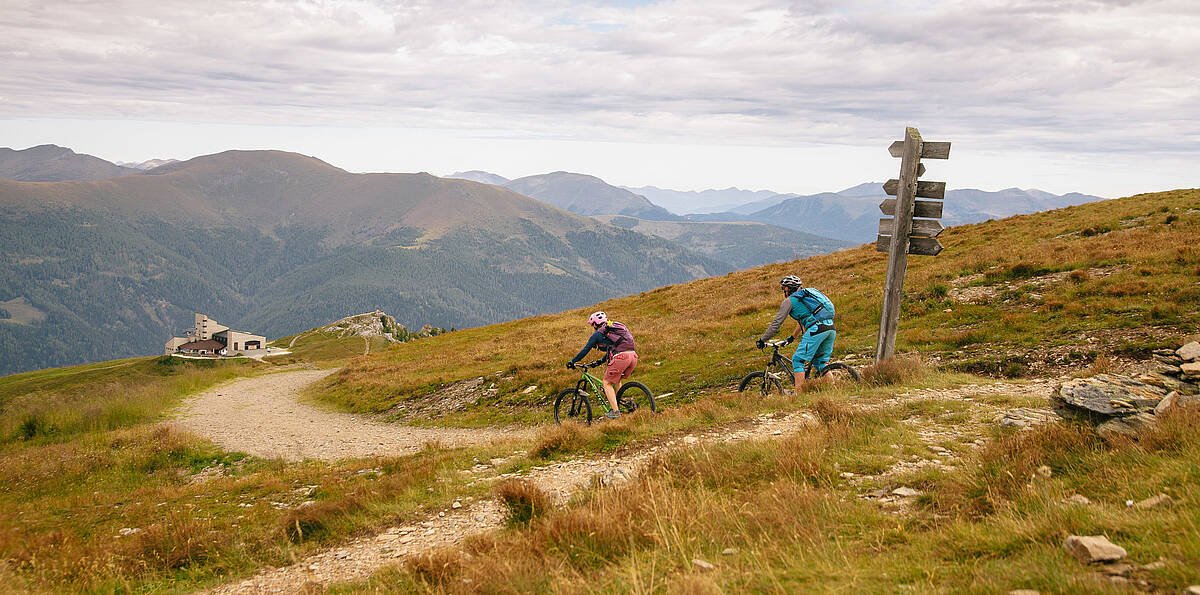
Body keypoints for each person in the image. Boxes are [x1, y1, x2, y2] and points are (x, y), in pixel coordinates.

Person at [756, 275, 837, 390]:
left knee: (798, 360)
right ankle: (833, 389)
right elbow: (803, 321)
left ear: (788, 288)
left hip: (817, 329)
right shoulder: (805, 297)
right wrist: (792, 337)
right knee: (820, 362)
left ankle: (799, 393)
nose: (783, 290)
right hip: (830, 327)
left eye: (783, 288)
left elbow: (776, 324)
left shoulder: (789, 301)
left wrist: (762, 340)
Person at [567, 311, 638, 419]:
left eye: (592, 325)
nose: (593, 327)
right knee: (616, 380)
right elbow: (613, 348)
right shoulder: (612, 329)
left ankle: (615, 411)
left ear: (595, 324)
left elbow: (585, 349)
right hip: (633, 356)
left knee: (607, 382)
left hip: (621, 357)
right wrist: (600, 362)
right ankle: (622, 404)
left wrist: (572, 361)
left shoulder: (598, 334)